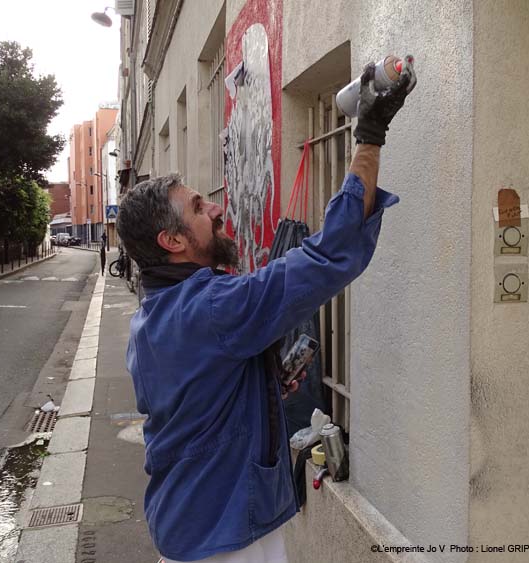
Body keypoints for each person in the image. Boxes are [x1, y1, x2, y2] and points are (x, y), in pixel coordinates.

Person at [116, 58, 416, 563]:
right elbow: (328, 255)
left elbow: (196, 405)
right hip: (224, 536)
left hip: (189, 525)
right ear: (171, 240)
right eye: (196, 208)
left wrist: (260, 382)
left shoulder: (151, 317)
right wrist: (369, 134)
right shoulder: (213, 306)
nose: (214, 207)